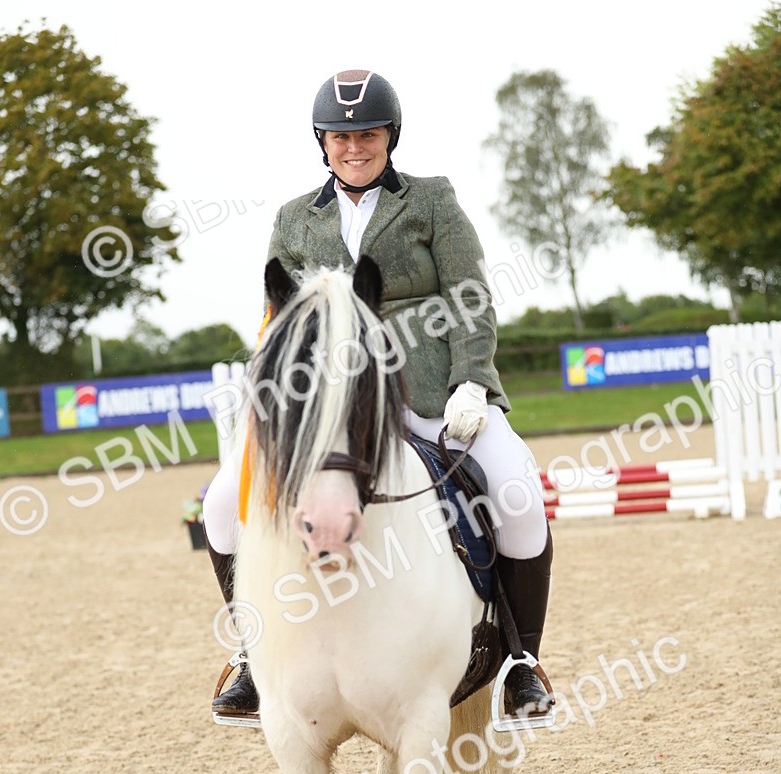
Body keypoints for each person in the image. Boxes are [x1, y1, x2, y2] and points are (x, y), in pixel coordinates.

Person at [202, 69, 553, 726]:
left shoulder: (432, 201)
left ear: (390, 136)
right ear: (322, 143)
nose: (353, 147)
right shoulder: (293, 220)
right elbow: (280, 319)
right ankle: (254, 655)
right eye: (340, 137)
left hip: (433, 396)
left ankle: (521, 664)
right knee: (223, 505)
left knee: (517, 493)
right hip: (330, 407)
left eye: (366, 134)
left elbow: (470, 298)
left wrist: (471, 380)